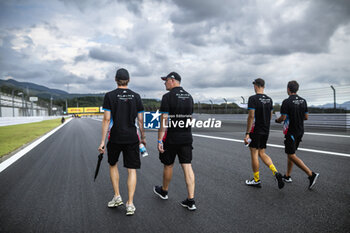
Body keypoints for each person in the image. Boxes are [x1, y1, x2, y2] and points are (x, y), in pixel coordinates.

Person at [98, 68, 145, 216]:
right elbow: (140, 120)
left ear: (115, 79)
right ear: (129, 80)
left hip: (115, 137)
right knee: (132, 170)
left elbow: (106, 119)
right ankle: (130, 204)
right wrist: (142, 138)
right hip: (132, 137)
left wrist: (102, 142)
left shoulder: (109, 96)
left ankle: (117, 196)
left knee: (113, 165)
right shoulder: (136, 96)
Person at [153, 72, 196, 211]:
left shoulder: (167, 97)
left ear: (172, 80)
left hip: (172, 138)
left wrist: (160, 139)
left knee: (168, 165)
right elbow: (189, 118)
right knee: (187, 166)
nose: (164, 83)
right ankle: (191, 200)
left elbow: (164, 119)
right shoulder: (189, 96)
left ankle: (164, 191)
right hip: (186, 137)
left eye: (166, 81)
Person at [275, 80, 319, 189]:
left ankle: (311, 174)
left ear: (288, 89)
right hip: (300, 131)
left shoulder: (286, 102)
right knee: (292, 153)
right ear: (297, 89)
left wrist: (277, 120)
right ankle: (288, 176)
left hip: (291, 131)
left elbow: (283, 118)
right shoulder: (303, 101)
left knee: (290, 154)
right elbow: (306, 117)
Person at [244, 78, 284, 189]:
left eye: (254, 86)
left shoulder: (252, 98)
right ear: (264, 86)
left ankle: (256, 180)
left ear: (256, 86)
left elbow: (251, 116)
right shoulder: (269, 99)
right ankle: (275, 172)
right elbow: (270, 115)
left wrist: (247, 133)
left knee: (254, 154)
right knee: (262, 153)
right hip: (266, 130)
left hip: (256, 130)